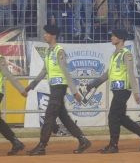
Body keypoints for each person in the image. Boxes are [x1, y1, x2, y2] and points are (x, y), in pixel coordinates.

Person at [23, 25, 92, 155]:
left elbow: (65, 72)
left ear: (54, 36)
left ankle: (42, 146)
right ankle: (83, 140)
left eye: (47, 34)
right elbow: (44, 71)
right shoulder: (49, 51)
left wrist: (75, 91)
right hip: (55, 88)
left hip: (59, 88)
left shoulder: (59, 51)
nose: (45, 35)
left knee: (49, 116)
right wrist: (31, 86)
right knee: (64, 117)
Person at [85, 29, 140, 153]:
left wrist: (136, 92)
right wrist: (94, 84)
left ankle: (113, 145)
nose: (111, 37)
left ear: (120, 39)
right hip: (117, 90)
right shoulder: (115, 54)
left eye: (114, 36)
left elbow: (131, 73)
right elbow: (108, 73)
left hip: (123, 90)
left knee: (113, 116)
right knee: (121, 117)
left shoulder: (126, 54)